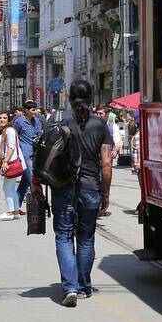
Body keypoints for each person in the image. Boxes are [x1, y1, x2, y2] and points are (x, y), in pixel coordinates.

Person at [50, 79, 113, 307]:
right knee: (86, 238)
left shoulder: (60, 122)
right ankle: (84, 286)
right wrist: (105, 194)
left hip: (63, 188)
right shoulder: (100, 125)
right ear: (91, 98)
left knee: (64, 236)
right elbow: (106, 164)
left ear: (69, 98)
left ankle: (70, 287)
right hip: (90, 188)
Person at [13, 100, 44, 208]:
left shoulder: (37, 121)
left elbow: (40, 134)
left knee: (24, 182)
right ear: (26, 111)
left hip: (36, 153)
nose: (35, 112)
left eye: (36, 109)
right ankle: (40, 205)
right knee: (33, 179)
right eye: (33, 110)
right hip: (25, 154)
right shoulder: (19, 122)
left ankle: (15, 206)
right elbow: (14, 136)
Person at [0, 111, 24, 221]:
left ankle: (10, 211)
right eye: (0, 118)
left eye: (5, 118)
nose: (2, 120)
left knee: (6, 187)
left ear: (8, 120)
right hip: (11, 161)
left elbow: (11, 147)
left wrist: (5, 161)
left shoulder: (10, 131)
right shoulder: (4, 131)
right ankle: (15, 211)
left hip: (11, 161)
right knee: (11, 187)